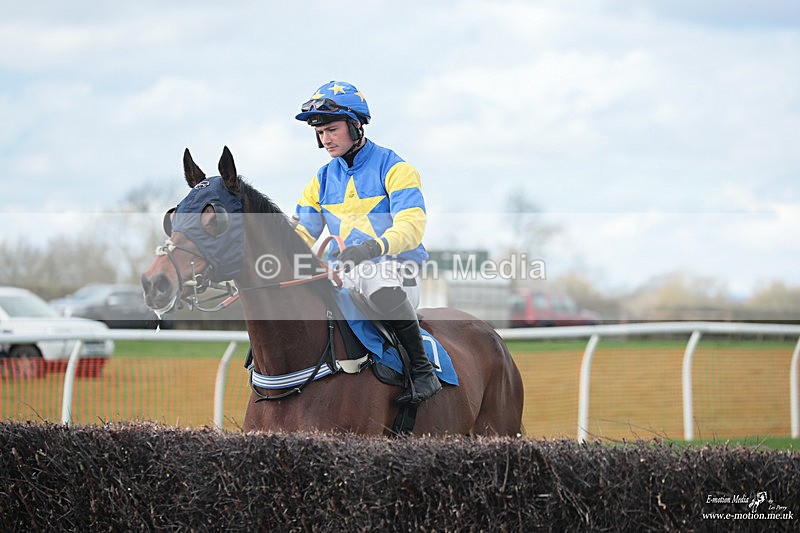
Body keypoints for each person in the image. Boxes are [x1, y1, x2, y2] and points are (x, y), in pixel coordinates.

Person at [293, 80, 442, 404]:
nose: (326, 139)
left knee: (375, 278)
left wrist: (371, 249)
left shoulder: (396, 168)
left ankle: (422, 371)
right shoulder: (320, 179)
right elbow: (304, 231)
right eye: (320, 133)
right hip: (343, 271)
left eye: (332, 129)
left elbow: (411, 226)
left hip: (394, 270)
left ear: (355, 125)